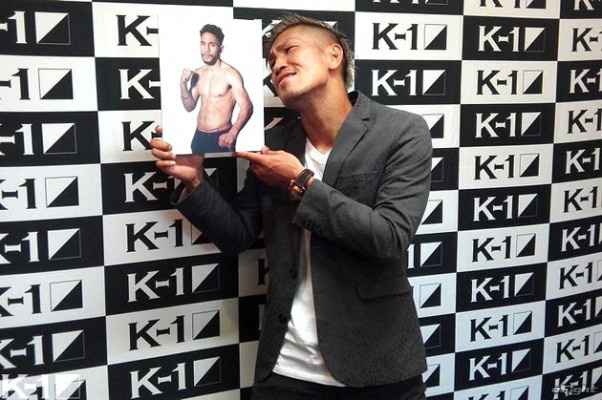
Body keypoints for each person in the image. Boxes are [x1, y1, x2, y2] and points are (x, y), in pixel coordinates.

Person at [152, 14, 432, 400]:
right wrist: (194, 180)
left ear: (334, 55)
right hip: (285, 370)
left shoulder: (401, 131)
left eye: (289, 50)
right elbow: (237, 236)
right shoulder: (275, 143)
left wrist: (300, 182)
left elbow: (389, 237)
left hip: (378, 368)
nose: (277, 64)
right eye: (271, 60)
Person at [180, 24, 253, 153]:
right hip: (199, 137)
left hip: (221, 137)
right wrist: (183, 85)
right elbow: (189, 107)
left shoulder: (230, 74)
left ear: (221, 48)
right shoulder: (198, 73)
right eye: (203, 44)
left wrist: (233, 132)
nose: (206, 50)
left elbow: (247, 106)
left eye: (212, 45)